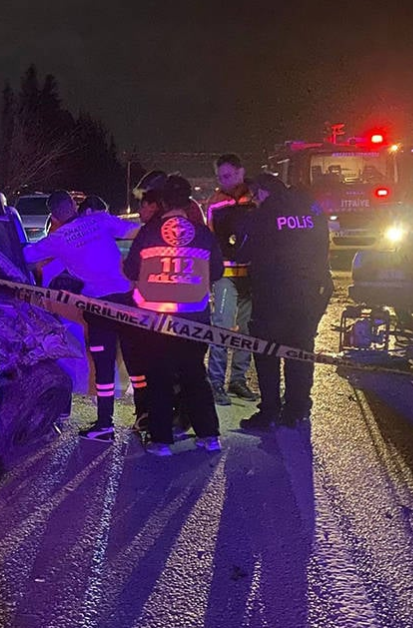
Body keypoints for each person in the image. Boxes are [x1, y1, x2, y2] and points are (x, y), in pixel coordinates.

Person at [24, 191, 145, 442]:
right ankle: (146, 416)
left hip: (98, 306)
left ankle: (104, 425)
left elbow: (25, 256)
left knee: (103, 365)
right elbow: (135, 231)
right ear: (73, 205)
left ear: (54, 216)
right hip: (127, 299)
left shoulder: (57, 238)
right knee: (135, 360)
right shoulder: (99, 221)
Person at [124, 174, 223, 456]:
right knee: (195, 375)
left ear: (164, 201)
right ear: (188, 201)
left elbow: (131, 270)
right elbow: (216, 272)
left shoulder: (149, 232)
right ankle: (208, 436)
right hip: (193, 319)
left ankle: (161, 441)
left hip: (155, 321)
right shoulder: (203, 234)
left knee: (158, 379)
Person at [236, 171, 333, 430]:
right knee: (300, 351)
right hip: (309, 293)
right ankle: (297, 409)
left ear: (263, 191)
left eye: (255, 195)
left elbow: (242, 252)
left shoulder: (263, 214)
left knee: (267, 353)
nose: (253, 200)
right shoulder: (311, 207)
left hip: (272, 294)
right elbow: (324, 245)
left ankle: (269, 411)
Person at [205, 154, 259, 405]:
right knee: (222, 327)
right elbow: (212, 240)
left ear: (240, 172)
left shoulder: (256, 198)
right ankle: (215, 381)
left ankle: (238, 380)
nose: (223, 181)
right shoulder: (215, 203)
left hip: (251, 274)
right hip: (226, 274)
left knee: (247, 330)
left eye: (227, 176)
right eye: (219, 177)